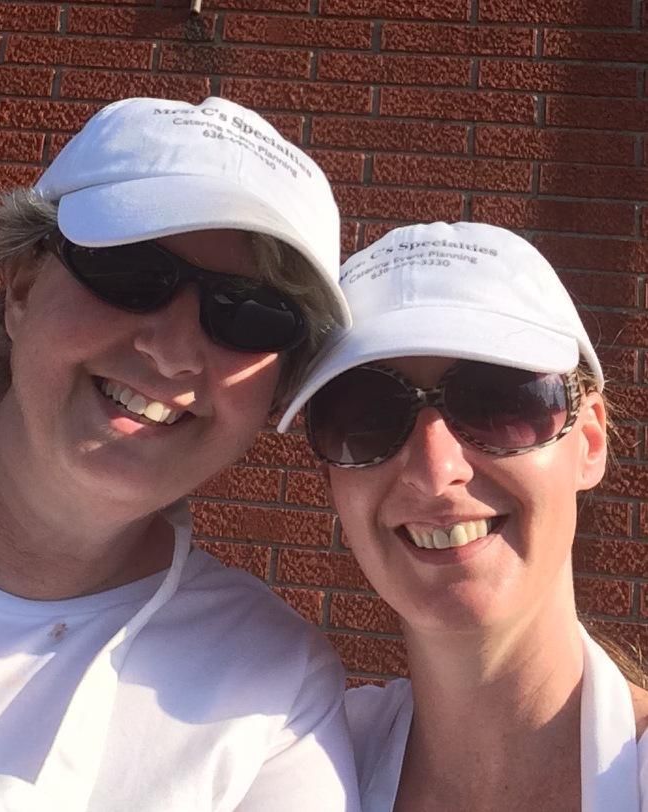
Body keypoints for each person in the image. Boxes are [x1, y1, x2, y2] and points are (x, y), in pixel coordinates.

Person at [0, 96, 360, 811]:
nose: (172, 352)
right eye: (133, 272)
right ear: (23, 286)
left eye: (250, 315)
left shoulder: (272, 700)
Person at [278, 221, 648, 810]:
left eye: (500, 401)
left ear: (590, 443)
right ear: (330, 481)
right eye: (366, 416)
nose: (435, 470)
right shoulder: (283, 767)